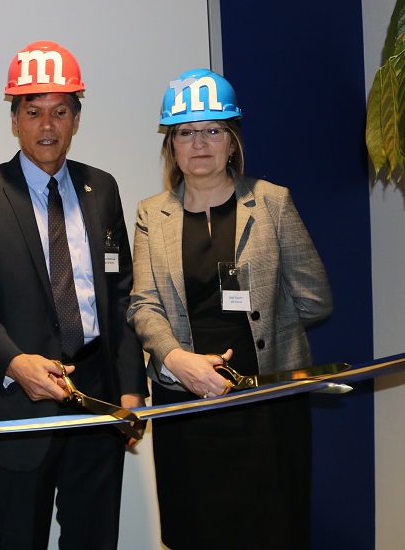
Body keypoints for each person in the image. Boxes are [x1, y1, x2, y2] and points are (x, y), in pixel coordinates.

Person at [0, 40, 147, 550]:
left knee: (95, 539)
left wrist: (130, 388)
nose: (47, 127)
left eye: (60, 112)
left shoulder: (102, 189)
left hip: (98, 401)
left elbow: (121, 295)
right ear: (14, 120)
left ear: (76, 119)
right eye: (33, 112)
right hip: (20, 406)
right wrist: (16, 365)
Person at [127, 69, 333, 550]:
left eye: (213, 130)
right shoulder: (149, 215)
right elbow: (143, 304)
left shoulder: (273, 202)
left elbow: (315, 297)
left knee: (272, 530)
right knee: (195, 530)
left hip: (268, 405)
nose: (200, 143)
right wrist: (175, 360)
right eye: (186, 132)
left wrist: (269, 334)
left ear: (232, 142)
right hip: (187, 406)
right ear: (172, 146)